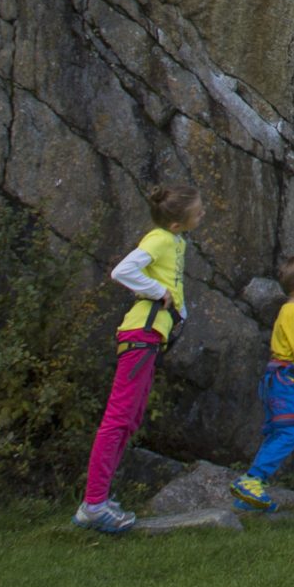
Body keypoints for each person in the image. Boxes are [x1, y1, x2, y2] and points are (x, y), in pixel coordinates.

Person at [73, 183, 202, 534]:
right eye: (198, 210)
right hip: (140, 336)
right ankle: (94, 504)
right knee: (118, 419)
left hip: (150, 338)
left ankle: (100, 498)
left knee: (129, 419)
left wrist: (177, 308)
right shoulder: (159, 239)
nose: (202, 213)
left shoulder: (175, 241)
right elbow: (123, 272)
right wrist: (157, 292)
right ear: (177, 223)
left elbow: (170, 284)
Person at [232, 254, 294, 514]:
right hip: (286, 379)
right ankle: (252, 480)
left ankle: (246, 499)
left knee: (277, 432)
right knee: (288, 432)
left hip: (277, 377)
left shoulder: (290, 310)